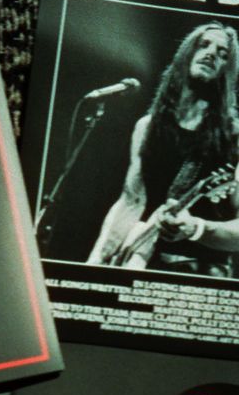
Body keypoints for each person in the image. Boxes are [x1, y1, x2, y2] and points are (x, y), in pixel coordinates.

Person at [88, 21, 239, 278]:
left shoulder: (234, 138)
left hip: (199, 272)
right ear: (185, 55)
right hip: (142, 260)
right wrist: (97, 262)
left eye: (223, 54)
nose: (211, 54)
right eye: (203, 45)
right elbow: (131, 202)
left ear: (228, 71)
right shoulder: (147, 127)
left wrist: (197, 228)